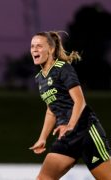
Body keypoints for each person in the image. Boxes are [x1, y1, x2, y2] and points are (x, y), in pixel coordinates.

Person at [29, 31, 111, 179]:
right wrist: (42, 138)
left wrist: (70, 125)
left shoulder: (62, 68)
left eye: (39, 46)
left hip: (86, 131)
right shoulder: (39, 78)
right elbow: (51, 110)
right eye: (32, 46)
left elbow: (80, 101)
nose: (34, 49)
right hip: (66, 136)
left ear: (51, 49)